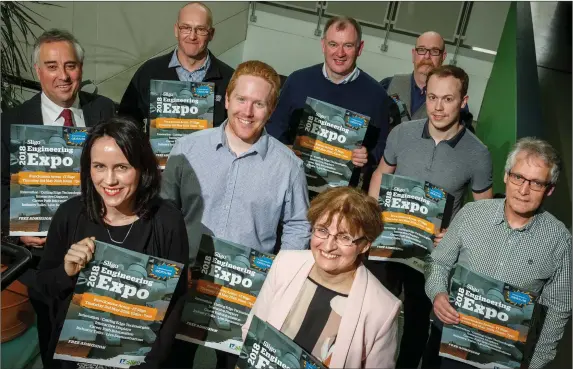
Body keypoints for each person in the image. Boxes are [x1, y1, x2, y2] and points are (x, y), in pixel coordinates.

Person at [161, 60, 311, 368]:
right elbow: (165, 210)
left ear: (271, 110)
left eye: (259, 103)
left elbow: (298, 227)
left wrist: (278, 280)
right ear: (227, 99)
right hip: (186, 283)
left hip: (245, 294)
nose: (248, 111)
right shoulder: (187, 148)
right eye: (241, 99)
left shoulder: (289, 167)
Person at [33, 117, 189, 368]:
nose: (109, 180)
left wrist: (150, 363)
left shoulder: (167, 221)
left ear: (142, 168)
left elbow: (175, 302)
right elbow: (43, 285)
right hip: (75, 357)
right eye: (99, 166)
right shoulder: (70, 214)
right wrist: (66, 272)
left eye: (122, 167)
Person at [0, 28, 115, 367]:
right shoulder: (11, 122)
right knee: (54, 343)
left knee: (100, 345)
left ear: (81, 67)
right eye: (52, 66)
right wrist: (15, 225)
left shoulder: (104, 110)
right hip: (41, 260)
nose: (63, 76)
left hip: (98, 251)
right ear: (38, 71)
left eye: (70, 65)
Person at [367, 65, 493, 369]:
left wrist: (455, 237)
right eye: (433, 97)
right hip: (388, 242)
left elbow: (484, 212)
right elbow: (381, 174)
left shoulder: (478, 154)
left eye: (448, 99)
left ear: (463, 101)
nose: (438, 107)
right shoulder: (402, 133)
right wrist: (370, 218)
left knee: (416, 323)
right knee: (370, 311)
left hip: (433, 255)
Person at [424, 137, 571, 369]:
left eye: (536, 183)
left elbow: (558, 308)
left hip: (506, 358)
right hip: (452, 342)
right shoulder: (471, 214)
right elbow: (438, 262)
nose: (523, 190)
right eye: (518, 177)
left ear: (549, 189)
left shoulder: (559, 241)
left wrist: (537, 362)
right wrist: (438, 292)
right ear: (506, 176)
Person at [242, 186, 401, 368]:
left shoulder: (383, 309)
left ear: (364, 246)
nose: (328, 245)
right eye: (323, 230)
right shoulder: (285, 263)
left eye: (344, 237)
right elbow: (252, 331)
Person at [265, 16, 390, 189]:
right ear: (323, 45)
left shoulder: (377, 95)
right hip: (291, 182)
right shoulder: (297, 81)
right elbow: (274, 127)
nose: (340, 53)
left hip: (340, 196)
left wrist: (368, 156)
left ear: (360, 48)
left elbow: (383, 145)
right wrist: (286, 149)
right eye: (333, 44)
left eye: (348, 45)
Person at [118, 1, 234, 129]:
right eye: (185, 28)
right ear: (176, 30)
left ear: (211, 34)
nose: (192, 36)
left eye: (201, 29)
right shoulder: (149, 71)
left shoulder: (229, 78)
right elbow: (125, 121)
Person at [380, 31, 472, 130]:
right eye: (421, 50)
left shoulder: (456, 102)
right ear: (413, 54)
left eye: (434, 51)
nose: (427, 56)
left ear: (443, 56)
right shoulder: (387, 85)